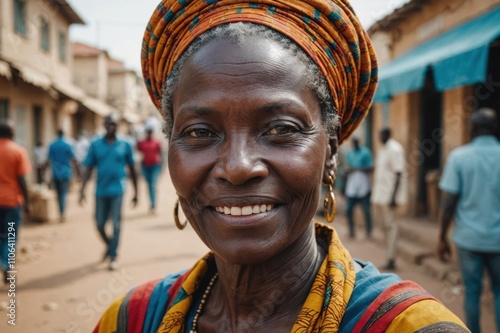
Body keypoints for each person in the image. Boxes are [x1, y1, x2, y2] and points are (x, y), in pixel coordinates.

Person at [94, 1, 469, 332]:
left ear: (331, 150)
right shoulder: (131, 320)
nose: (238, 167)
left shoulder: (409, 328)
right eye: (200, 132)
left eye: (280, 129)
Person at [438, 107, 500, 333]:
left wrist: (442, 237)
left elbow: (449, 203)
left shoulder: (460, 157)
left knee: (472, 291)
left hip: (469, 240)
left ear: (472, 129)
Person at [79, 115, 138, 271]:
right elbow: (88, 168)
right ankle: (109, 244)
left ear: (118, 126)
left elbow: (132, 168)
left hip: (118, 190)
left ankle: (113, 256)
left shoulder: (124, 145)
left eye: (114, 124)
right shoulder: (96, 145)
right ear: (104, 125)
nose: (111, 127)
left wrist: (136, 192)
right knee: (99, 224)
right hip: (101, 191)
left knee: (117, 224)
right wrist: (82, 190)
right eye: (109, 124)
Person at [371, 128, 406, 270]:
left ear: (387, 135)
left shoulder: (395, 149)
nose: (379, 137)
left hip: (389, 196)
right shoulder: (382, 149)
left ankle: (391, 259)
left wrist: (393, 197)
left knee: (391, 226)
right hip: (381, 195)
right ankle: (388, 255)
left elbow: (399, 172)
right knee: (384, 226)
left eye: (381, 135)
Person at [0, 122, 31, 284]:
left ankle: (3, 261)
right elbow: (22, 180)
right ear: (12, 134)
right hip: (11, 201)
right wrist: (28, 203)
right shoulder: (17, 151)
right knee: (10, 235)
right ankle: (6, 264)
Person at [46, 129, 80, 222]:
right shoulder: (68, 145)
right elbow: (73, 159)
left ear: (57, 134)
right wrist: (78, 173)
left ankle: (60, 212)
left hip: (56, 173)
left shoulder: (52, 145)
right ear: (64, 134)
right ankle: (62, 213)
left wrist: (44, 173)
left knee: (58, 194)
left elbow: (48, 159)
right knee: (64, 193)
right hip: (66, 173)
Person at [344, 137, 373, 239]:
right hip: (352, 185)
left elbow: (370, 168)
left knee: (366, 210)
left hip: (363, 185)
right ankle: (351, 231)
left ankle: (369, 232)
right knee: (348, 209)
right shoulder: (350, 153)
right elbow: (347, 167)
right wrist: (348, 170)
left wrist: (356, 169)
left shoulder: (365, 152)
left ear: (358, 142)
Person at [137, 126, 163, 214]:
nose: (149, 134)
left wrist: (161, 168)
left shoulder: (156, 143)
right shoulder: (142, 143)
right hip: (145, 166)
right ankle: (151, 202)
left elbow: (161, 154)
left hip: (155, 166)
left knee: (152, 185)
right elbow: (138, 150)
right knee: (149, 185)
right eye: (148, 132)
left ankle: (153, 204)